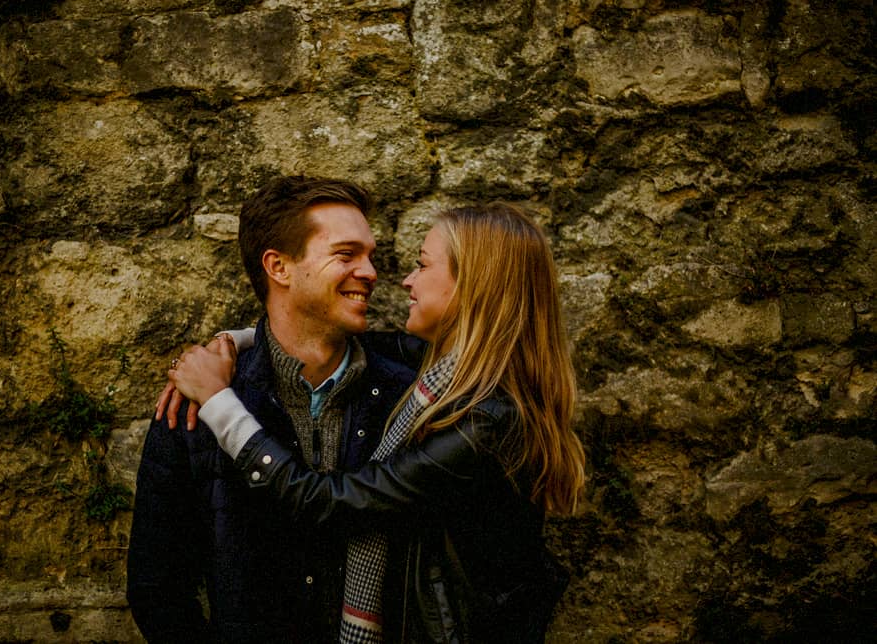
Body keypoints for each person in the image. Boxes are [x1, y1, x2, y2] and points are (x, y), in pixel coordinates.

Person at [167, 202, 586, 643]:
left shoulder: (486, 420)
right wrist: (230, 343)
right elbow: (322, 334)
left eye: (423, 266)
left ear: (474, 287)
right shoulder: (451, 369)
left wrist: (217, 401)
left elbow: (327, 503)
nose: (405, 280)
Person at [126, 176, 417, 643]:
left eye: (369, 255)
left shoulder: (407, 395)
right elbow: (157, 589)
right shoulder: (196, 403)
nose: (371, 272)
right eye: (346, 254)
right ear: (278, 267)